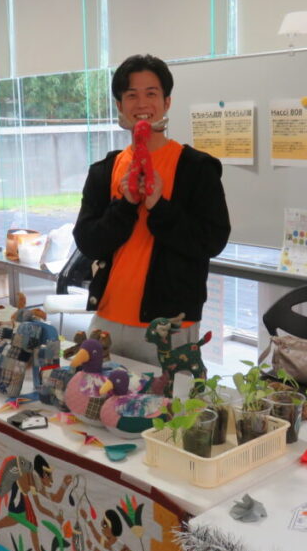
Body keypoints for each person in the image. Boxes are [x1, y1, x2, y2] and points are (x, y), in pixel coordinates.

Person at [73, 54, 231, 364]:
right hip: (107, 317)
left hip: (169, 325)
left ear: (167, 102)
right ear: (120, 105)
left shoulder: (196, 168)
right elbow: (88, 242)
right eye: (131, 95)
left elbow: (211, 241)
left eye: (151, 93)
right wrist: (126, 205)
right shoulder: (105, 170)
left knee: (170, 396)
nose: (141, 103)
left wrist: (159, 206)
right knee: (94, 391)